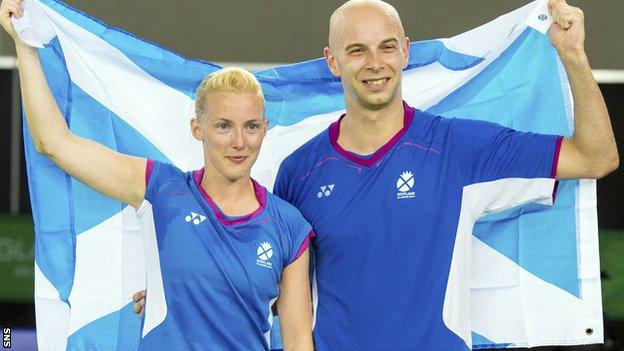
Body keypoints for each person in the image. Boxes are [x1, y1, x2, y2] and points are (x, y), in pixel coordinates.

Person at [133, 0, 618, 349]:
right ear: (333, 60)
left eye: (387, 47)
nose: (374, 63)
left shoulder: (459, 149)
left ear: (406, 52)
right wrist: (182, 281)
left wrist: (573, 56)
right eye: (357, 50)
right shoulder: (300, 170)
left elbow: (596, 158)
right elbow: (275, 282)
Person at [0, 1, 315, 350]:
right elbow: (54, 142)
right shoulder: (161, 189)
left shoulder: (289, 226)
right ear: (198, 128)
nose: (239, 142)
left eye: (251, 126)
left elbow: (299, 341)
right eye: (224, 125)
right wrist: (24, 43)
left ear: (265, 129)